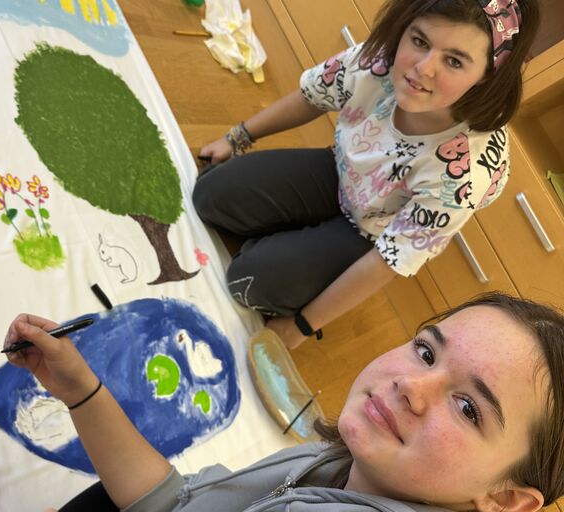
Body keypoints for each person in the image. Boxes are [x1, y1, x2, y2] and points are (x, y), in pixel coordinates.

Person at [7, 292, 564, 512]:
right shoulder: (345, 465)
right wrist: (77, 387)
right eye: (426, 350)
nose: (411, 387)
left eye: (467, 408)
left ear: (507, 500)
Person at [192, 0, 540, 350]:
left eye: (453, 61)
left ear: (487, 74)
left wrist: (300, 326)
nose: (422, 69)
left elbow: (387, 261)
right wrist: (236, 137)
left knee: (248, 282)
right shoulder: (379, 60)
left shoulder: (462, 175)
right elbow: (311, 96)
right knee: (208, 193)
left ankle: (297, 250)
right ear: (405, 26)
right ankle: (294, 239)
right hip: (342, 173)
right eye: (419, 41)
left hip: (373, 231)